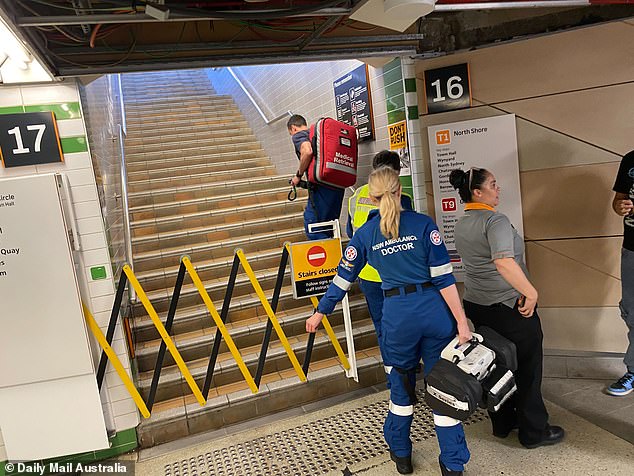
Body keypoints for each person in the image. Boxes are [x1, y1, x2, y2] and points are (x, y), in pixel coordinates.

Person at [307, 167, 472, 475]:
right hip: (434, 314)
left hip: (397, 318)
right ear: (400, 191)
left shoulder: (365, 235)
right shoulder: (423, 225)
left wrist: (320, 312)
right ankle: (452, 465)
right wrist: (461, 322)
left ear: (370, 197)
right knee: (444, 390)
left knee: (400, 391)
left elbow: (342, 280)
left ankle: (402, 455)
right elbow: (444, 279)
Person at [449, 167, 564, 449]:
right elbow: (503, 262)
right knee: (527, 368)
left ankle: (503, 424)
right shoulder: (495, 220)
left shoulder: (462, 222)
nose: (498, 189)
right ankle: (533, 432)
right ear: (478, 192)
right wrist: (531, 292)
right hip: (510, 308)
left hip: (477, 305)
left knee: (497, 367)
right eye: (493, 184)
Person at [347, 150, 413, 363]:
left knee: (381, 324)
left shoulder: (356, 196)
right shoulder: (403, 198)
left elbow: (351, 232)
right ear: (397, 172)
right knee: (403, 322)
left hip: (367, 273)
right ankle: (406, 366)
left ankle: (392, 367)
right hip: (396, 273)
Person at [287, 114, 345, 240]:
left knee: (312, 227)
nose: (292, 136)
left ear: (293, 128)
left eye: (290, 133)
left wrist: (298, 175)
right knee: (329, 226)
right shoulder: (318, 135)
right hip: (338, 185)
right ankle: (336, 255)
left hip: (322, 186)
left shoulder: (299, 135)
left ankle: (330, 257)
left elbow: (307, 151)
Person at [608, 150, 634, 396]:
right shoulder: (630, 160)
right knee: (633, 312)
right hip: (632, 250)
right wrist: (620, 206)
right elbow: (618, 201)